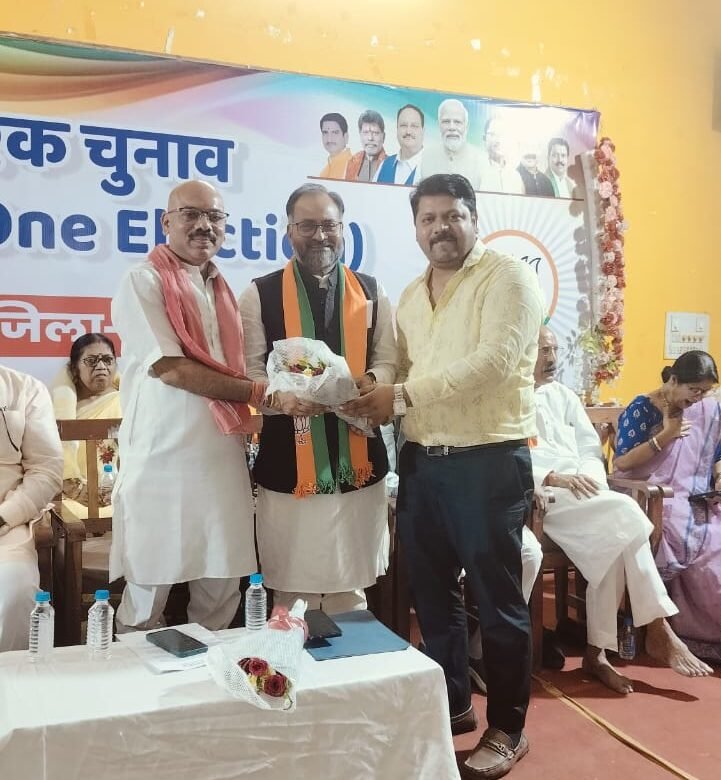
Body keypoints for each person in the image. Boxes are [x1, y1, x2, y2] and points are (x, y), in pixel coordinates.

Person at [343, 173, 544, 780]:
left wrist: (399, 395)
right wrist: (367, 390)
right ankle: (452, 704)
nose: (440, 228)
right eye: (428, 219)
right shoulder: (410, 294)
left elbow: (493, 364)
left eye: (452, 216)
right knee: (432, 596)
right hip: (423, 462)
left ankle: (508, 728)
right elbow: (400, 367)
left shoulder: (508, 278)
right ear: (415, 228)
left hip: (487, 461)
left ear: (474, 218)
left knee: (497, 599)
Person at [238, 182, 397, 614]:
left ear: (343, 229)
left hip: (358, 458)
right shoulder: (259, 293)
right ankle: (289, 655)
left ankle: (351, 657)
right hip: (289, 458)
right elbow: (250, 371)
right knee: (292, 590)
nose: (320, 235)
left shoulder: (372, 291)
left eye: (329, 225)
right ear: (289, 231)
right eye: (307, 226)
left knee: (352, 590)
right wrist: (281, 397)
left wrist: (370, 381)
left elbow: (388, 360)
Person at [110, 180, 262, 632]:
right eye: (191, 214)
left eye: (214, 217)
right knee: (148, 588)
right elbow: (170, 369)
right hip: (162, 459)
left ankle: (209, 671)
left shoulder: (223, 289)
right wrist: (258, 393)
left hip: (221, 457)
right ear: (166, 222)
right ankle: (133, 674)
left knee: (222, 582)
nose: (204, 226)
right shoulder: (143, 280)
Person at [533, 328, 711, 693]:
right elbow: (513, 457)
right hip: (546, 497)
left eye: (554, 349)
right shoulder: (509, 398)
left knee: (616, 541)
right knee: (626, 515)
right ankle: (655, 628)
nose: (551, 358)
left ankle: (598, 654)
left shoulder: (564, 396)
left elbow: (590, 450)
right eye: (542, 350)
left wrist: (589, 478)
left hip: (587, 493)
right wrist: (555, 478)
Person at [614, 350, 721, 664]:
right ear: (673, 380)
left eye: (705, 392)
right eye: (694, 390)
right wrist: (666, 435)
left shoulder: (707, 411)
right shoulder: (642, 408)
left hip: (697, 499)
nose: (698, 399)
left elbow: (715, 454)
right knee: (708, 567)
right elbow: (622, 462)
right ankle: (672, 633)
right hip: (650, 498)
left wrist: (719, 475)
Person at [0, 364, 63, 651]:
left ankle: (10, 677)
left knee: (17, 589)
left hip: (6, 525)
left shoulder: (25, 389)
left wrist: (5, 516)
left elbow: (46, 470)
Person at [51, 333, 121, 514]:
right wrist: (75, 488)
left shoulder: (125, 400)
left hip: (119, 492)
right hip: (70, 495)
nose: (101, 367)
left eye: (107, 360)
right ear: (75, 369)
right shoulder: (57, 407)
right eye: (91, 361)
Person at [422, 99, 482, 190]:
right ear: (439, 125)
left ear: (466, 126)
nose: (452, 127)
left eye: (457, 122)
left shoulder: (480, 161)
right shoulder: (426, 157)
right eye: (446, 121)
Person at [375, 104, 424, 186]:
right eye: (403, 125)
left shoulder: (433, 168)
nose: (408, 131)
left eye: (414, 126)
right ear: (397, 129)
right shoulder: (384, 165)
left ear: (423, 131)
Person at [478, 117, 525, 195]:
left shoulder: (516, 176)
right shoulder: (477, 171)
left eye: (502, 135)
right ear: (484, 138)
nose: (498, 140)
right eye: (492, 134)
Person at [345, 109, 387, 182]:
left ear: (383, 137)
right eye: (366, 132)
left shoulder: (390, 165)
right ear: (360, 135)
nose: (370, 138)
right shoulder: (352, 162)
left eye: (375, 133)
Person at [318, 112, 352, 179]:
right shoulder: (324, 171)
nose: (329, 139)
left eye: (335, 133)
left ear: (346, 137)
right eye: (325, 133)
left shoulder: (351, 168)